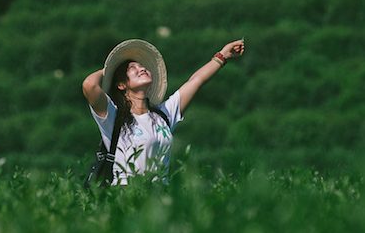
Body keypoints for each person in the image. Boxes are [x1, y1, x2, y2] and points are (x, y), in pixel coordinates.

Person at [82, 38, 245, 185]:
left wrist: (222, 56)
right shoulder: (114, 117)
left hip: (160, 194)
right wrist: (110, 69)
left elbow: (196, 81)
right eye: (132, 68)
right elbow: (89, 85)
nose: (141, 68)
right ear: (121, 85)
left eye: (142, 66)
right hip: (126, 195)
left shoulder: (162, 115)